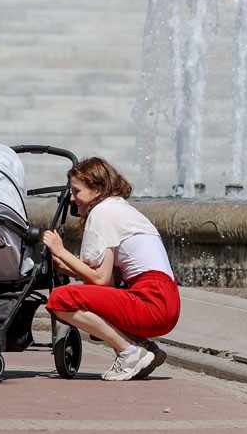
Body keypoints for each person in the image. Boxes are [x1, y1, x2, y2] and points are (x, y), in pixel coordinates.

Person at [42, 157, 180, 381]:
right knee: (90, 295)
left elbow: (99, 279)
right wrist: (68, 267)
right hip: (165, 302)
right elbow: (106, 278)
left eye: (76, 191)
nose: (72, 197)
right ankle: (145, 347)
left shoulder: (102, 212)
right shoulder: (120, 209)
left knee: (60, 300)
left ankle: (130, 352)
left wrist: (60, 251)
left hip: (151, 301)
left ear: (96, 189)